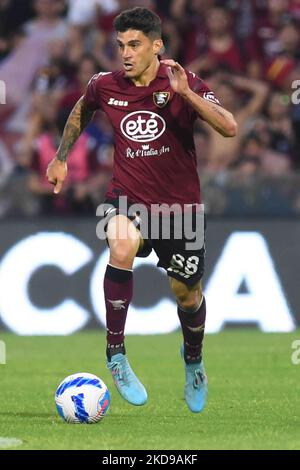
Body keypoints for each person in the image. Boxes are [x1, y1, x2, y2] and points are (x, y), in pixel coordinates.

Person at [46, 7, 237, 413]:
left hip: (179, 210)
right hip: (128, 197)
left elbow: (229, 126)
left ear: (157, 46)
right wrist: (62, 156)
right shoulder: (105, 85)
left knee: (187, 295)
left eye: (134, 45)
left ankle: (194, 362)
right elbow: (82, 109)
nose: (126, 53)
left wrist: (186, 94)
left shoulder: (182, 83)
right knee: (120, 247)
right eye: (120, 45)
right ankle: (115, 354)